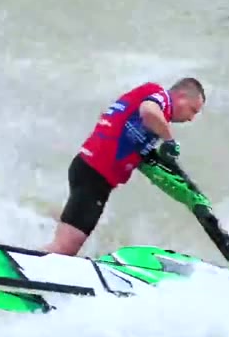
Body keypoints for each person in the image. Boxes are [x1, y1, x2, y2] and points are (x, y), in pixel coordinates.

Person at [43, 77, 206, 257]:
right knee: (64, 249)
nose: (191, 118)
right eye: (192, 110)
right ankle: (23, 266)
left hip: (90, 170)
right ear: (181, 96)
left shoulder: (148, 103)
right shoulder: (160, 98)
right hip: (95, 174)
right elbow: (148, 110)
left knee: (67, 239)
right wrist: (169, 140)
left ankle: (36, 242)